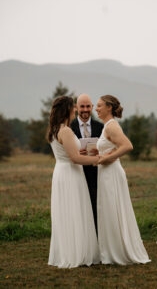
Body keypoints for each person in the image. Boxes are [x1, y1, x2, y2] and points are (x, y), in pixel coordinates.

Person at [96, 95, 151, 265]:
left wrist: (107, 158)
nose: (95, 109)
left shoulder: (111, 126)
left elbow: (127, 146)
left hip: (111, 173)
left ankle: (117, 252)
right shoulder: (107, 126)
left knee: (113, 209)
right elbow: (112, 147)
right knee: (108, 210)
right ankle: (110, 250)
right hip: (106, 173)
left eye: (99, 106)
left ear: (109, 108)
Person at [47, 96, 100, 269]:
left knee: (67, 212)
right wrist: (98, 159)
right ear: (67, 110)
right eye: (73, 108)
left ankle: (69, 250)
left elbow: (71, 154)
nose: (75, 111)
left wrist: (81, 153)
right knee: (75, 211)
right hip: (71, 174)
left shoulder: (54, 129)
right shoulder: (66, 131)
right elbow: (75, 159)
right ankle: (77, 253)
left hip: (61, 172)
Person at [71, 94, 103, 234]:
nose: (85, 109)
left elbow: (108, 148)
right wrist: (77, 154)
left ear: (92, 107)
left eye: (88, 106)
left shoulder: (100, 127)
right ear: (76, 107)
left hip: (96, 174)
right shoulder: (69, 127)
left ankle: (96, 239)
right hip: (75, 173)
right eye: (82, 106)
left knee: (95, 208)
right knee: (77, 209)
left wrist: (99, 152)